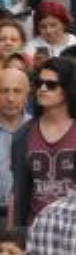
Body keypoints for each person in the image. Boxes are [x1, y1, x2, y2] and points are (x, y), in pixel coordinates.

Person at [8, 57, 76, 228]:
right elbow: (19, 193)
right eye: (39, 83)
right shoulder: (23, 134)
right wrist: (13, 238)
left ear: (69, 89)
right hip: (39, 234)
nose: (42, 89)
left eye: (51, 85)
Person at [0, 68, 29, 222]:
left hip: (27, 217)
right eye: (4, 91)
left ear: (27, 97)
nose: (10, 98)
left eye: (17, 91)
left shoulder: (39, 129)